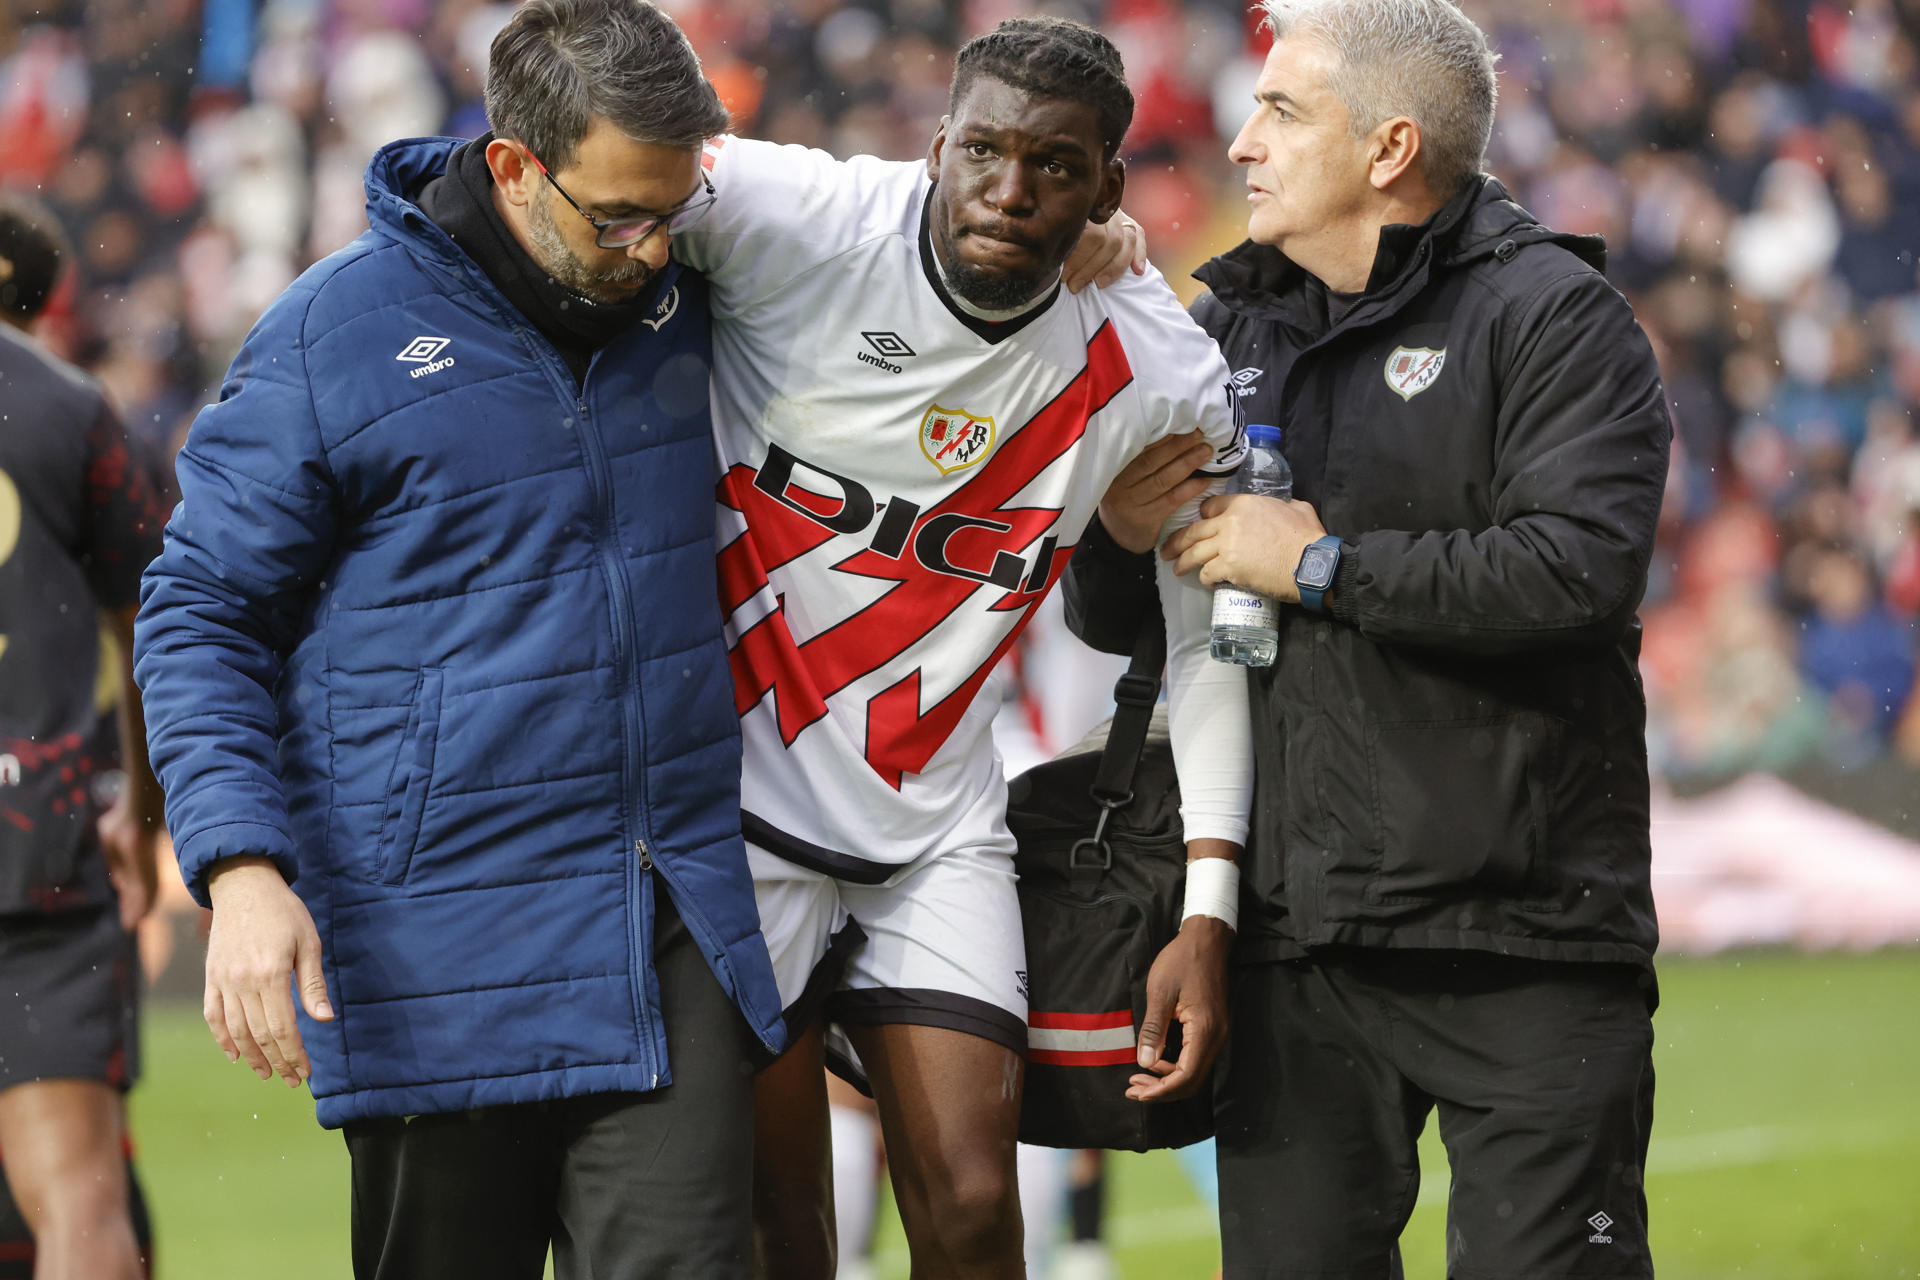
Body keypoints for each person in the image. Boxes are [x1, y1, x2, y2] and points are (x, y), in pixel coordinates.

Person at [131, 4, 791, 1277]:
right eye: (617, 218)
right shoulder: (333, 334)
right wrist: (240, 865)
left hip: (667, 927)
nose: (654, 250)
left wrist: (1079, 241)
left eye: (676, 207)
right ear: (510, 166)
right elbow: (201, 605)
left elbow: (901, 253)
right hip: (424, 947)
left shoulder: (700, 276)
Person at [1067, 1, 1671, 1277]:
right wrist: (1120, 538)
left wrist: (1319, 563)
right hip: (1295, 947)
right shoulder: (1221, 333)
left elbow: (1576, 572)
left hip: (1529, 935)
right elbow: (1121, 625)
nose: (1241, 143)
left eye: (1283, 111)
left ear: (1389, 146)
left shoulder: (1560, 317)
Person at [669, 17, 1254, 1277]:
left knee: (978, 1204)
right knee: (783, 1226)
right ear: (937, 145)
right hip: (738, 814)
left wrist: (1208, 897)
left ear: (1109, 186)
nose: (1008, 189)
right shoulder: (800, 217)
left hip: (935, 825)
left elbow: (1213, 637)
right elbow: (598, 177)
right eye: (981, 150)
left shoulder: (1156, 365)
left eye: (1054, 165)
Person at [0, 195, 170, 1280]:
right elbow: (152, 625)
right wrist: (144, 811)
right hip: (41, 838)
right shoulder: (68, 409)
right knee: (77, 1192)